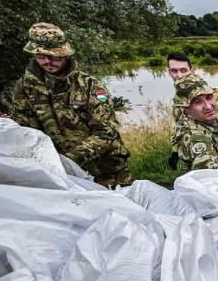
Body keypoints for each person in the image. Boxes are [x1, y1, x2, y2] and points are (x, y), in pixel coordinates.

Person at [11, 22, 131, 187]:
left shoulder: (90, 85)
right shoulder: (24, 87)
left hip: (106, 172)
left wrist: (69, 161)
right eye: (40, 56)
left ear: (65, 55)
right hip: (57, 175)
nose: (47, 61)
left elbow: (106, 132)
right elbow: (25, 131)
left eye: (53, 56)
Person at [172, 74, 218, 170]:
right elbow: (214, 174)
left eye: (209, 97)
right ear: (186, 109)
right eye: (197, 102)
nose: (208, 106)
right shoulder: (194, 136)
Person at [166, 53, 194, 169]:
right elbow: (181, 125)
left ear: (191, 71)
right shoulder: (179, 96)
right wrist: (176, 151)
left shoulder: (202, 94)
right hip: (188, 152)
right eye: (174, 71)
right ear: (168, 72)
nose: (179, 75)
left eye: (183, 70)